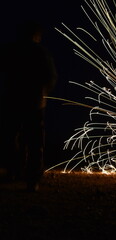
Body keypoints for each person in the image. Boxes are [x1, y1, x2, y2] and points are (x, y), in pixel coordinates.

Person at [0, 20, 57, 191]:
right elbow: (51, 77)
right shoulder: (40, 52)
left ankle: (13, 170)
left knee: (11, 137)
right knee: (34, 140)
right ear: (36, 35)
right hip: (34, 103)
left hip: (12, 101)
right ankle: (33, 179)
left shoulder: (9, 51)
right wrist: (43, 93)